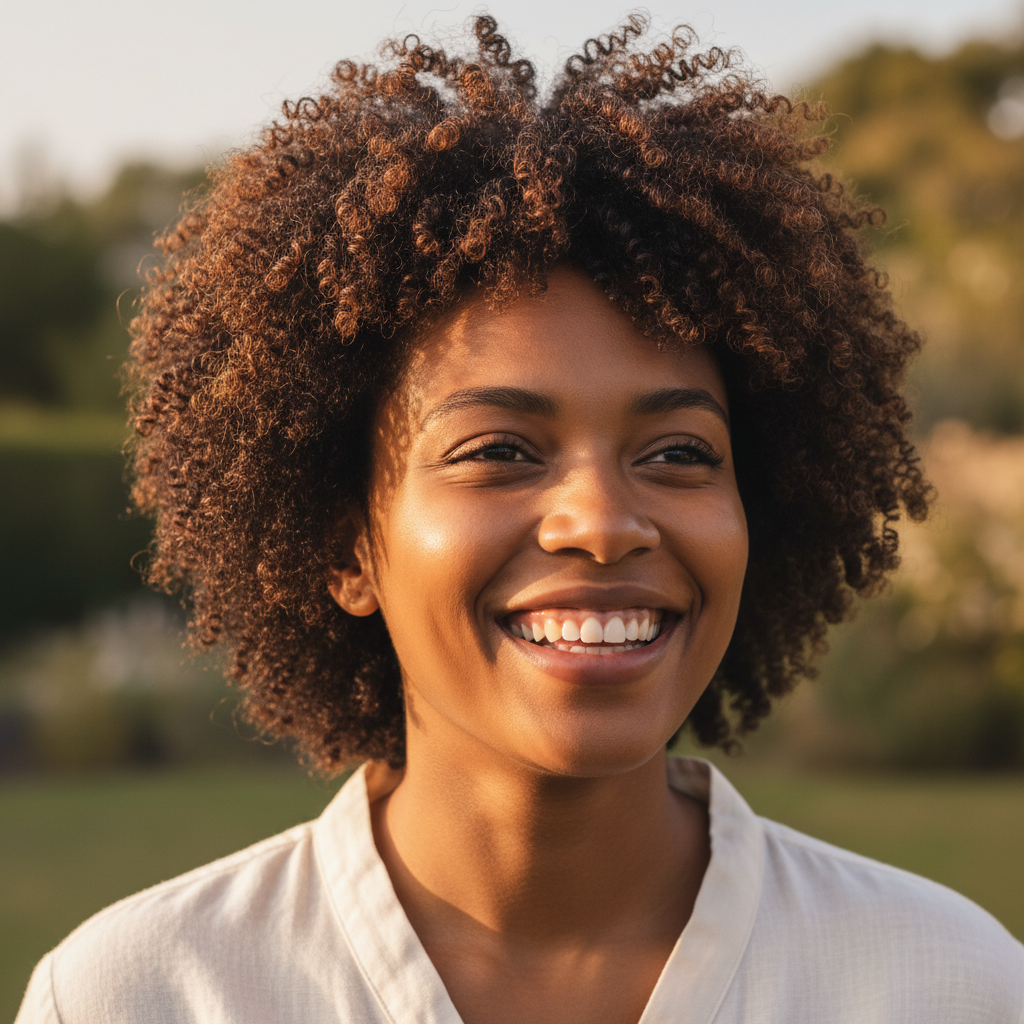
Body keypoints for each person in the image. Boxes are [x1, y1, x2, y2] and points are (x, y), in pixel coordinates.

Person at [16, 14, 1024, 1024]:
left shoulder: (945, 985)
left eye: (678, 453)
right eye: (497, 450)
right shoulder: (143, 995)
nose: (601, 522)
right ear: (344, 540)